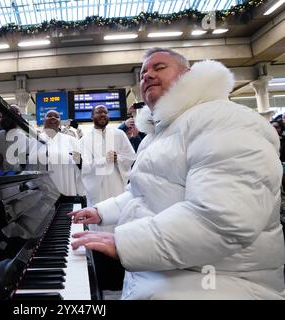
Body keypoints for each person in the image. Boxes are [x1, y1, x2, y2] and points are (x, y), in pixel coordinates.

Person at [69, 48, 285, 299]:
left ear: (188, 75)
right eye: (143, 73)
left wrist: (125, 243)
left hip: (220, 279)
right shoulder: (160, 134)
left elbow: (220, 219)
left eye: (159, 68)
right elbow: (142, 191)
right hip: (168, 268)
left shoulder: (224, 119)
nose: (147, 75)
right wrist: (100, 212)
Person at [79, 105, 136, 231]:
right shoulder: (84, 140)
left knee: (119, 220)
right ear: (92, 116)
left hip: (116, 185)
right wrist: (104, 160)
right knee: (98, 220)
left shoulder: (119, 134)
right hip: (97, 189)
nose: (103, 114)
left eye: (105, 112)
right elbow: (85, 166)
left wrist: (118, 158)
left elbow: (131, 156)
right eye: (99, 112)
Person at [28, 110, 83, 196]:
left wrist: (79, 161)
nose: (53, 117)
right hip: (41, 193)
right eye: (49, 116)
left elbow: (81, 165)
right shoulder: (34, 141)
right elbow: (30, 167)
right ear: (44, 121)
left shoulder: (71, 140)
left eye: (56, 117)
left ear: (60, 122)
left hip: (66, 190)